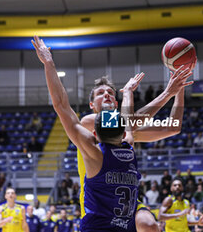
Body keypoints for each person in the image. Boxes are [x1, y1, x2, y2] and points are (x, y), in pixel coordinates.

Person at [32, 35, 194, 232]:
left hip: (126, 202)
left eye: (110, 93)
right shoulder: (88, 123)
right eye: (100, 93)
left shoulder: (125, 132)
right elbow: (127, 123)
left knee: (149, 224)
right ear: (92, 105)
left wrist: (179, 85)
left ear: (116, 104)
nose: (107, 94)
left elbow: (173, 126)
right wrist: (164, 92)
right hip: (99, 205)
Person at [33, 35, 144, 231]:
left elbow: (60, 105)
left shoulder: (95, 153)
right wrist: (127, 93)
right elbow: (127, 121)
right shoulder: (129, 147)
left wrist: (49, 64)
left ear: (95, 134)